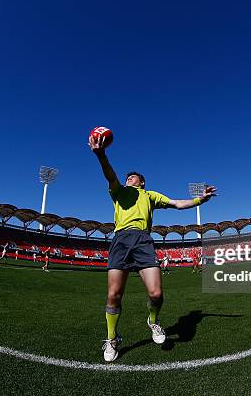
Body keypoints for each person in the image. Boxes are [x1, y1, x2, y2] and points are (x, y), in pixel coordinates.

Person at [89, 133, 217, 362]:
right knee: (113, 295)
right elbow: (110, 175)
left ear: (142, 182)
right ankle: (111, 338)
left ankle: (153, 321)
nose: (129, 178)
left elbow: (178, 204)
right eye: (128, 177)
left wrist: (200, 200)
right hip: (120, 240)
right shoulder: (118, 192)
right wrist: (101, 155)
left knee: (156, 293)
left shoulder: (150, 195)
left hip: (143, 241)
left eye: (133, 177)